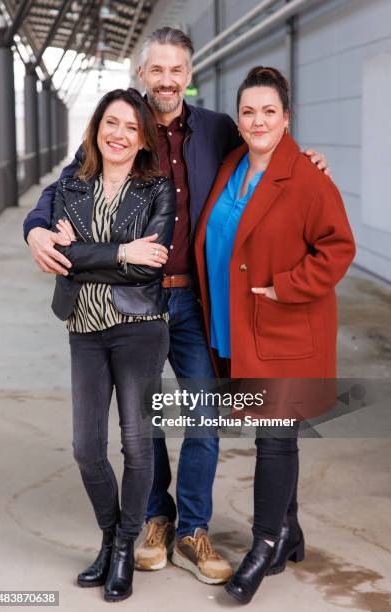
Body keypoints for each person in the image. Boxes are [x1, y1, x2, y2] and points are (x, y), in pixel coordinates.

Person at [23, 28, 330, 585]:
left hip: (194, 298)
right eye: (156, 70)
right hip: (131, 299)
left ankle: (193, 526)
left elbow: (267, 152)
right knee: (146, 423)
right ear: (142, 74)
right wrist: (34, 229)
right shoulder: (121, 126)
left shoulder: (216, 127)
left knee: (203, 415)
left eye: (176, 71)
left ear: (189, 76)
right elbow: (64, 185)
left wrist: (307, 159)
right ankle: (156, 518)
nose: (166, 81)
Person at [194, 66, 356, 604]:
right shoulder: (233, 163)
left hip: (283, 326)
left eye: (269, 111)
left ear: (287, 118)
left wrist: (285, 287)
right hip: (234, 325)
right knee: (276, 433)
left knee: (272, 436)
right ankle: (290, 532)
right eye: (248, 111)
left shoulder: (308, 177)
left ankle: (264, 544)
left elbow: (338, 248)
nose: (258, 120)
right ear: (237, 120)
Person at [49, 87, 175, 602]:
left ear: (143, 136)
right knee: (85, 449)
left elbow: (151, 264)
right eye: (111, 123)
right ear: (97, 127)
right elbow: (63, 253)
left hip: (140, 328)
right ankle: (108, 537)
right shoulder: (71, 183)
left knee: (138, 445)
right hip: (84, 325)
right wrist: (121, 249)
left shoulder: (158, 190)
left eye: (130, 126)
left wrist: (85, 253)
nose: (119, 134)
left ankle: (125, 547)